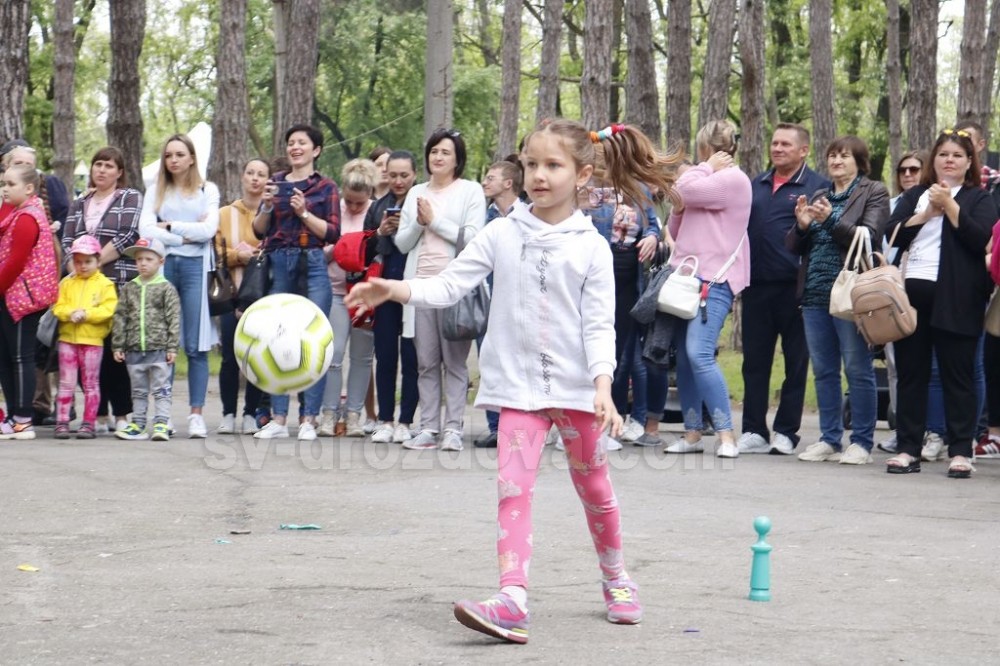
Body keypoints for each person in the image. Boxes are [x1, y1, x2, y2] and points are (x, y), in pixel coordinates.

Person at [347, 119, 674, 643]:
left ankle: (616, 578)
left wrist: (602, 385)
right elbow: (451, 283)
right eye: (531, 165)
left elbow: (598, 324)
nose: (539, 176)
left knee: (595, 489)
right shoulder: (502, 232)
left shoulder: (589, 246)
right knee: (511, 490)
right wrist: (395, 289)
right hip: (518, 392)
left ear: (582, 174)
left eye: (553, 165)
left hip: (575, 392)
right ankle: (512, 598)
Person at [885, 129, 998, 478]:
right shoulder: (916, 194)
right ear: (933, 160)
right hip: (912, 295)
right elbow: (892, 234)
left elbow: (982, 240)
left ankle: (961, 450)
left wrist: (951, 207)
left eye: (957, 156)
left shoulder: (979, 198)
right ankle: (908, 448)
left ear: (969, 163)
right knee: (911, 373)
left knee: (958, 375)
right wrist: (925, 214)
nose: (949, 160)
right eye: (943, 154)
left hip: (959, 297)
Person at [786, 136, 889, 465]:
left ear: (860, 161)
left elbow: (869, 234)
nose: (836, 161)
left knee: (858, 369)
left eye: (844, 156)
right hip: (815, 295)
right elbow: (794, 246)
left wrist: (830, 220)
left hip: (852, 294)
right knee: (825, 371)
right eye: (831, 156)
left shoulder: (874, 191)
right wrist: (802, 226)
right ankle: (829, 438)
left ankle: (861, 441)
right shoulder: (820, 195)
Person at [658, 120, 751, 458]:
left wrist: (703, 168)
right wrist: (679, 208)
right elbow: (677, 219)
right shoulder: (707, 179)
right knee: (684, 359)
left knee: (699, 353)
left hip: (713, 281)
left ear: (704, 149)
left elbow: (681, 192)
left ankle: (726, 435)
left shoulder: (732, 180)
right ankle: (693, 433)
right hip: (687, 278)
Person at [738, 123, 829, 455]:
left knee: (796, 362)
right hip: (756, 286)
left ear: (803, 150)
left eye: (786, 144)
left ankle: (786, 431)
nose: (777, 149)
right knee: (755, 363)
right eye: (774, 143)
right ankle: (753, 429)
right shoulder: (755, 185)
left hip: (796, 288)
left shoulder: (818, 187)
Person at [393, 128, 486, 451]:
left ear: (457, 158)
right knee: (426, 362)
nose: (438, 157)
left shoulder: (470, 191)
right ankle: (428, 427)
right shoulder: (417, 191)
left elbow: (474, 238)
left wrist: (434, 220)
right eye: (434, 151)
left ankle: (453, 429)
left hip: (455, 287)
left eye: (445, 152)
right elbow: (402, 243)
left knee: (455, 363)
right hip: (419, 287)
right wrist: (419, 222)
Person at [251, 124, 340, 441]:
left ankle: (309, 418)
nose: (295, 147)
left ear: (316, 150)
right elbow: (259, 230)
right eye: (291, 143)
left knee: (313, 341)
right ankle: (277, 417)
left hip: (312, 262)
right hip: (278, 261)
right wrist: (265, 206)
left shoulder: (327, 187)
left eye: (302, 143)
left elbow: (331, 233)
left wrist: (303, 212)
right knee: (276, 339)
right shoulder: (274, 183)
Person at [139, 134, 220, 439]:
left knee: (196, 343)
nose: (173, 160)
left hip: (196, 268)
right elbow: (145, 229)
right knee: (164, 343)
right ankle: (163, 415)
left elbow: (209, 229)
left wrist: (169, 227)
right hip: (165, 266)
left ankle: (196, 414)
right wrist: (184, 236)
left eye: (179, 154)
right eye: (168, 155)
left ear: (191, 158)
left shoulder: (207, 190)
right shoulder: (155, 191)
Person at [62, 146, 143, 434]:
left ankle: (122, 413)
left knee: (113, 350)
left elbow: (128, 235)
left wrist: (92, 263)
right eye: (98, 164)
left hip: (115, 283)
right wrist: (78, 269)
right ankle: (98, 413)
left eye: (109, 166)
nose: (101, 170)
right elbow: (68, 240)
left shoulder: (129, 197)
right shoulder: (79, 202)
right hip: (81, 288)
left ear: (119, 172)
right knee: (86, 349)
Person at [318, 159, 378, 437]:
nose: (354, 208)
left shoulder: (375, 212)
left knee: (363, 356)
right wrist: (341, 248)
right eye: (350, 202)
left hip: (365, 292)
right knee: (334, 353)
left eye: (359, 203)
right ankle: (329, 412)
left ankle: (354, 414)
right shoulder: (333, 209)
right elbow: (321, 249)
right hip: (335, 290)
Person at [0, 163, 60, 439]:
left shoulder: (27, 218)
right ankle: (13, 416)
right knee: (6, 358)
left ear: (29, 188)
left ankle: (23, 420)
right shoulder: (16, 213)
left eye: (10, 184)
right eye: (3, 183)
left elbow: (14, 262)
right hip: (9, 296)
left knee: (21, 357)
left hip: (22, 298)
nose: (5, 189)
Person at [215, 157, 270, 435]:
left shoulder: (271, 214)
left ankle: (251, 412)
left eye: (261, 174)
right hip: (230, 293)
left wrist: (259, 255)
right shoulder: (225, 213)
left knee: (256, 355)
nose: (255, 178)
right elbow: (216, 252)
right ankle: (227, 412)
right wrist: (239, 255)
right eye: (250, 173)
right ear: (242, 177)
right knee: (229, 356)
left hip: (261, 296)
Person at [367, 150, 419, 445]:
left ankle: (406, 420)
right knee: (385, 353)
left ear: (414, 174)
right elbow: (364, 244)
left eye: (405, 175)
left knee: (412, 354)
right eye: (393, 174)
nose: (398, 181)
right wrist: (380, 232)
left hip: (414, 283)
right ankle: (385, 419)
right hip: (384, 282)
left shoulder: (421, 201)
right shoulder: (379, 206)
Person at [878, 150, 927, 454]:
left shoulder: (933, 200)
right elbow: (885, 241)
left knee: (929, 368)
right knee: (896, 364)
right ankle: (902, 429)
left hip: (925, 287)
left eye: (914, 169)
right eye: (903, 170)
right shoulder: (892, 206)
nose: (908, 175)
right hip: (892, 287)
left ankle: (934, 432)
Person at [474, 160, 523, 448]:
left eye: (490, 177)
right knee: (489, 359)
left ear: (508, 183)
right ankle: (495, 426)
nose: (485, 182)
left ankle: (517, 425)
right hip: (486, 297)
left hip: (516, 299)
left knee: (517, 362)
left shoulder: (528, 215)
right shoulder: (483, 216)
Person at [111, 238, 181, 442]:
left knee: (161, 389)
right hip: (134, 350)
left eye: (149, 259)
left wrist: (172, 346)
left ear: (161, 262)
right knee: (138, 391)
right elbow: (120, 317)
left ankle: (161, 422)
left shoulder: (166, 288)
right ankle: (138, 424)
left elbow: (173, 318)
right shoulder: (129, 288)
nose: (143, 263)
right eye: (139, 259)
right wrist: (118, 344)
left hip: (159, 349)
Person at [51, 235, 118, 438]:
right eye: (78, 261)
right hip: (67, 339)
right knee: (65, 382)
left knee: (90, 383)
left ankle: (89, 422)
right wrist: (70, 313)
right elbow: (58, 306)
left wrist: (86, 314)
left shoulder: (105, 284)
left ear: (98, 261)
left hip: (92, 341)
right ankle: (62, 421)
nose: (83, 266)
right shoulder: (67, 283)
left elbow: (108, 309)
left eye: (88, 261)